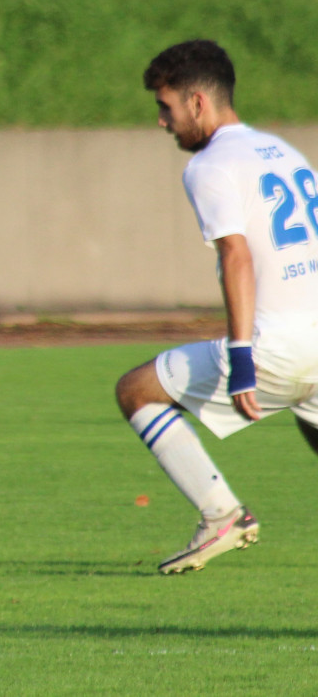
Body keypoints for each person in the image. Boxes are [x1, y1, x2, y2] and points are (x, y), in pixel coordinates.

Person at [117, 39, 318, 574]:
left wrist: (243, 356)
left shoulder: (209, 166)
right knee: (310, 417)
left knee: (136, 391)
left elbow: (237, 256)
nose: (163, 122)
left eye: (167, 107)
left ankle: (220, 515)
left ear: (198, 104)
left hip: (279, 343)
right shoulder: (283, 151)